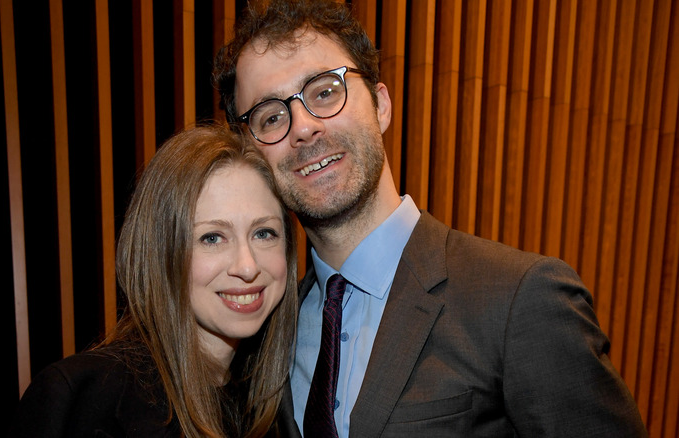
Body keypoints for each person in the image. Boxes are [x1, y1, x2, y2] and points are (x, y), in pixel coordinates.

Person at [212, 1, 648, 436]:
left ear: (380, 105)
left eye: (325, 91)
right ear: (253, 152)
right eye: (271, 117)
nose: (303, 126)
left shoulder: (520, 301)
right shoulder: (265, 332)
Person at [10, 124, 298, 437]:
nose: (247, 265)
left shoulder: (277, 407)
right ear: (160, 252)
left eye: (264, 233)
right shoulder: (79, 401)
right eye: (212, 237)